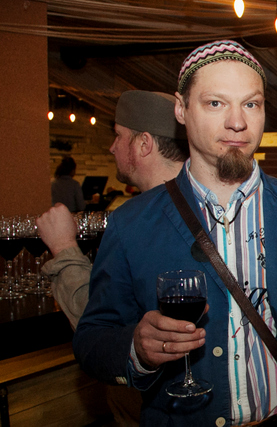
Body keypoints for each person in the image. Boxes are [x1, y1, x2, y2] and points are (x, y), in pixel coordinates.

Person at [73, 40, 277, 426]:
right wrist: (136, 349)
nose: (238, 122)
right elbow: (91, 340)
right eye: (216, 103)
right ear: (181, 109)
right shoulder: (131, 224)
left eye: (251, 104)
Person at [38, 90, 189, 426]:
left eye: (119, 135)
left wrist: (63, 248)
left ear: (143, 144)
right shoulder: (203, 206)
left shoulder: (134, 223)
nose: (111, 147)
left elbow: (101, 324)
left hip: (153, 405)